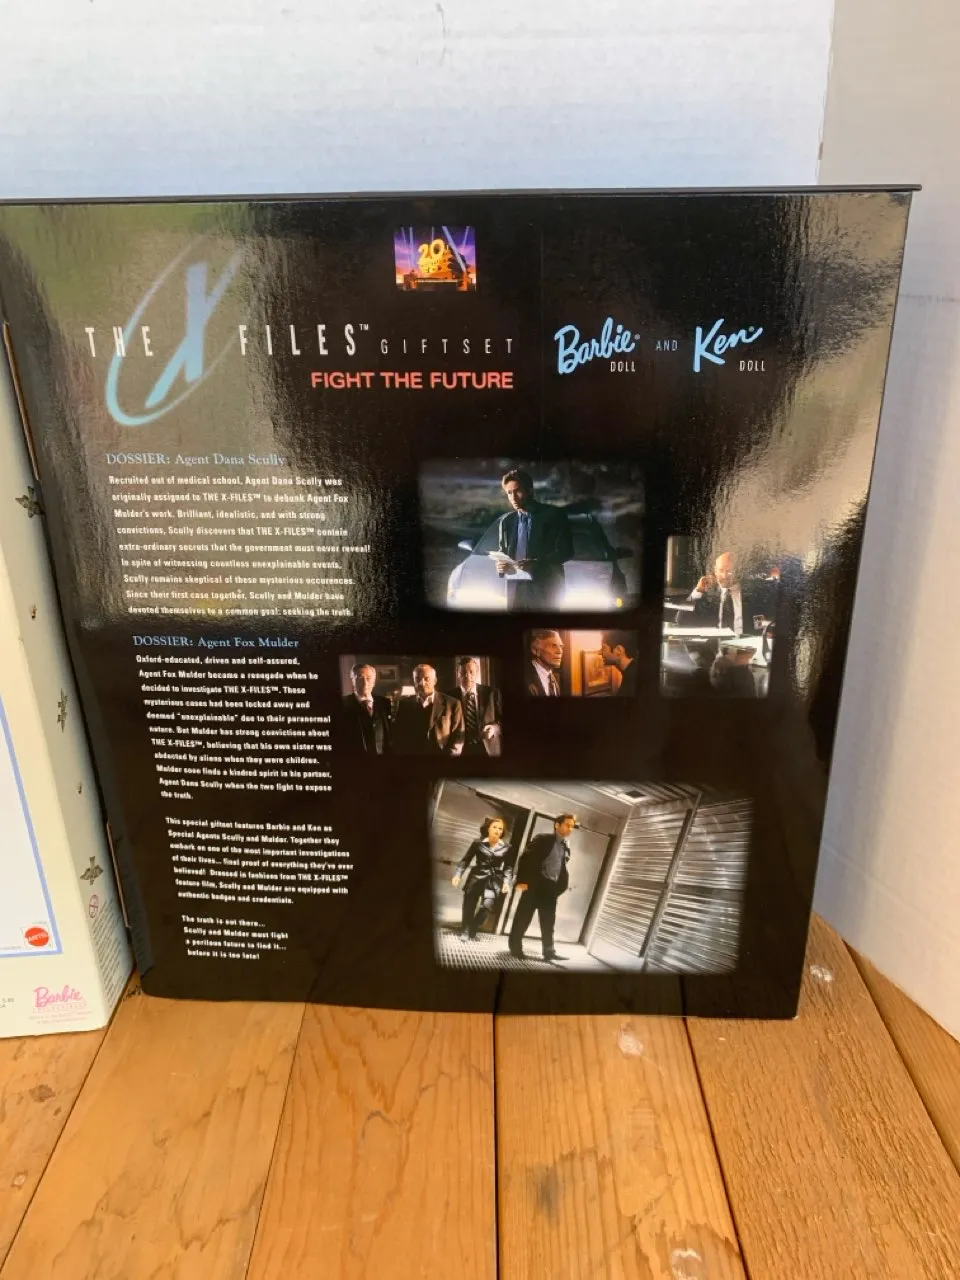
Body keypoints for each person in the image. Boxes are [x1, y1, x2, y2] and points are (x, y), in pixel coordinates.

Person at [495, 468, 574, 608]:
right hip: (515, 591)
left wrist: (537, 564)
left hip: (546, 590)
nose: (513, 498)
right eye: (509, 493)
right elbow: (503, 553)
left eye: (518, 491)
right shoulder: (506, 521)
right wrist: (500, 566)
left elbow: (566, 551)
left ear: (530, 490)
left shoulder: (553, 515)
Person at [508, 813, 578, 962]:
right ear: (557, 825)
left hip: (550, 890)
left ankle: (549, 952)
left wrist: (559, 888)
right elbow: (526, 859)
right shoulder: (542, 839)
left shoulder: (566, 846)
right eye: (567, 825)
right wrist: (523, 881)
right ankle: (515, 947)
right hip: (535, 885)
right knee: (523, 918)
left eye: (572, 826)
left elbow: (560, 868)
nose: (570, 829)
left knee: (548, 922)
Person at [687, 551, 779, 639]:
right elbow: (684, 618)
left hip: (746, 645)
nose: (724, 576)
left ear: (738, 571)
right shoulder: (708, 593)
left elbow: (771, 616)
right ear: (715, 571)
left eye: (729, 571)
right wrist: (698, 590)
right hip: (715, 646)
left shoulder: (753, 591)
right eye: (721, 570)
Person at [451, 816, 515, 940]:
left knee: (486, 908)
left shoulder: (507, 847)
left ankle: (473, 926)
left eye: (500, 829)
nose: (497, 830)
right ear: (488, 829)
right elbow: (465, 860)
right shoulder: (478, 843)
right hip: (476, 877)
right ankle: (465, 930)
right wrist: (458, 875)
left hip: (493, 881)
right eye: (495, 827)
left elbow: (508, 867)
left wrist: (506, 882)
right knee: (469, 906)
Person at [391, 663, 465, 755]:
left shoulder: (452, 703)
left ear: (435, 681)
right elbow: (398, 735)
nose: (422, 683)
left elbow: (458, 735)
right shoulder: (404, 704)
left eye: (427, 679)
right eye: (417, 679)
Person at [446, 656, 502, 756]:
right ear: (457, 674)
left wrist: (494, 728)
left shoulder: (491, 693)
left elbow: (504, 719)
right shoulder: (449, 697)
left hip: (488, 750)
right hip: (460, 750)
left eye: (471, 672)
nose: (467, 676)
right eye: (463, 673)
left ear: (477, 673)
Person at [339, 662, 392, 753]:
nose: (364, 683)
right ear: (353, 681)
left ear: (374, 682)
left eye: (368, 678)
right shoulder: (342, 704)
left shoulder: (384, 703)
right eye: (360, 678)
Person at [525, 630, 563, 696]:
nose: (560, 651)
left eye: (561, 646)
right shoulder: (525, 678)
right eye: (553, 646)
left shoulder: (554, 679)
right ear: (535, 650)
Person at [601, 631, 639, 697]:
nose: (600, 652)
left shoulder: (632, 680)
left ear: (619, 650)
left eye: (603, 648)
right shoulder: (632, 671)